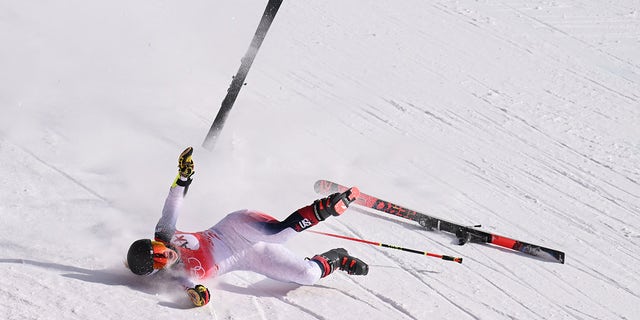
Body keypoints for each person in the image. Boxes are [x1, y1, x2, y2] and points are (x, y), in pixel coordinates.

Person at [126, 147, 369, 307]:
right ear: (156, 270)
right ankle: (338, 258)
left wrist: (183, 177)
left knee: (279, 235)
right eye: (159, 259)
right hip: (251, 257)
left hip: (234, 228)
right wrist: (199, 296)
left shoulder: (165, 234)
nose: (165, 252)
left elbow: (173, 203)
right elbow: (197, 293)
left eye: (157, 247)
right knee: (307, 275)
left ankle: (327, 207)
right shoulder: (177, 276)